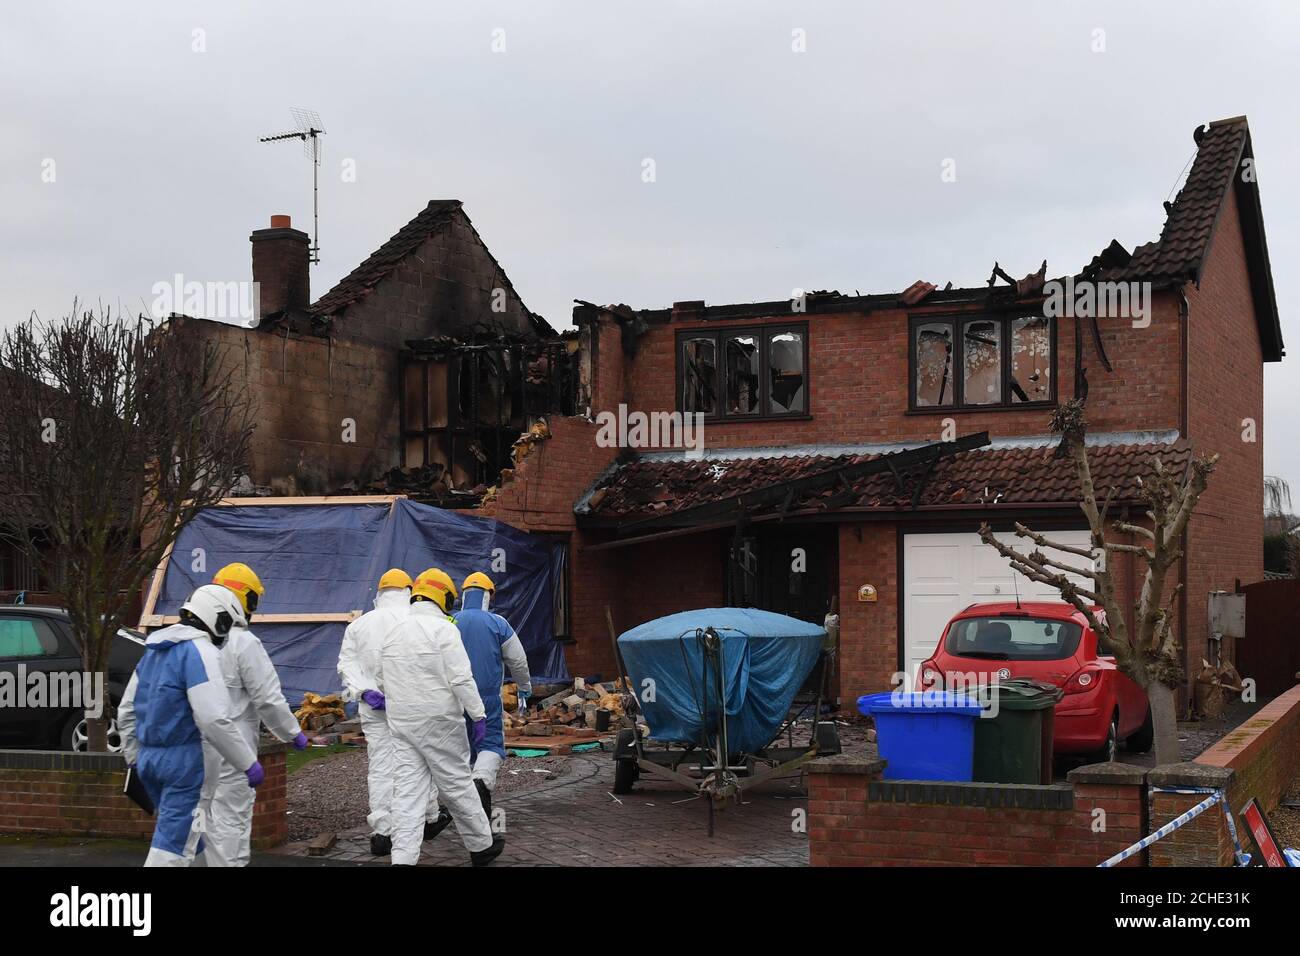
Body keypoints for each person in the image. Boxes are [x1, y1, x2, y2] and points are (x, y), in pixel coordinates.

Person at [118, 585, 263, 867]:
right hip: (187, 766)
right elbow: (213, 719)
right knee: (172, 847)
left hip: (150, 760)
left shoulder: (154, 650)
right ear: (217, 619)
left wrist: (135, 758)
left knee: (191, 837)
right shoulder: (201, 652)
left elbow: (126, 711)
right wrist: (247, 763)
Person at [375, 567, 504, 866]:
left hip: (402, 724)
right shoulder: (445, 630)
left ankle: (403, 858)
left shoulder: (394, 631)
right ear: (443, 596)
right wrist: (479, 715)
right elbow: (461, 679)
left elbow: (381, 679)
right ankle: (482, 846)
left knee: (407, 794)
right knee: (458, 784)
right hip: (440, 723)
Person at [201, 563, 309, 867]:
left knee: (201, 824)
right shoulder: (243, 643)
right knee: (231, 824)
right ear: (245, 600)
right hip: (233, 752)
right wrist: (292, 733)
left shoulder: (188, 638)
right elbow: (268, 698)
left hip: (194, 747)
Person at [337, 567, 416, 856]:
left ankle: (382, 831)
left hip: (373, 707)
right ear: (408, 591)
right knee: (413, 766)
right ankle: (416, 824)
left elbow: (346, 665)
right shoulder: (415, 619)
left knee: (381, 766)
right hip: (409, 705)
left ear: (380, 593)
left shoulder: (358, 625)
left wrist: (364, 691)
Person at [447, 571, 531, 820]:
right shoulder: (498, 623)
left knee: (460, 750)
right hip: (486, 699)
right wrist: (524, 687)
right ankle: (481, 783)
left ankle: (460, 806)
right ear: (488, 595)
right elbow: (518, 660)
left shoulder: (449, 622)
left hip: (453, 699)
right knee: (491, 745)